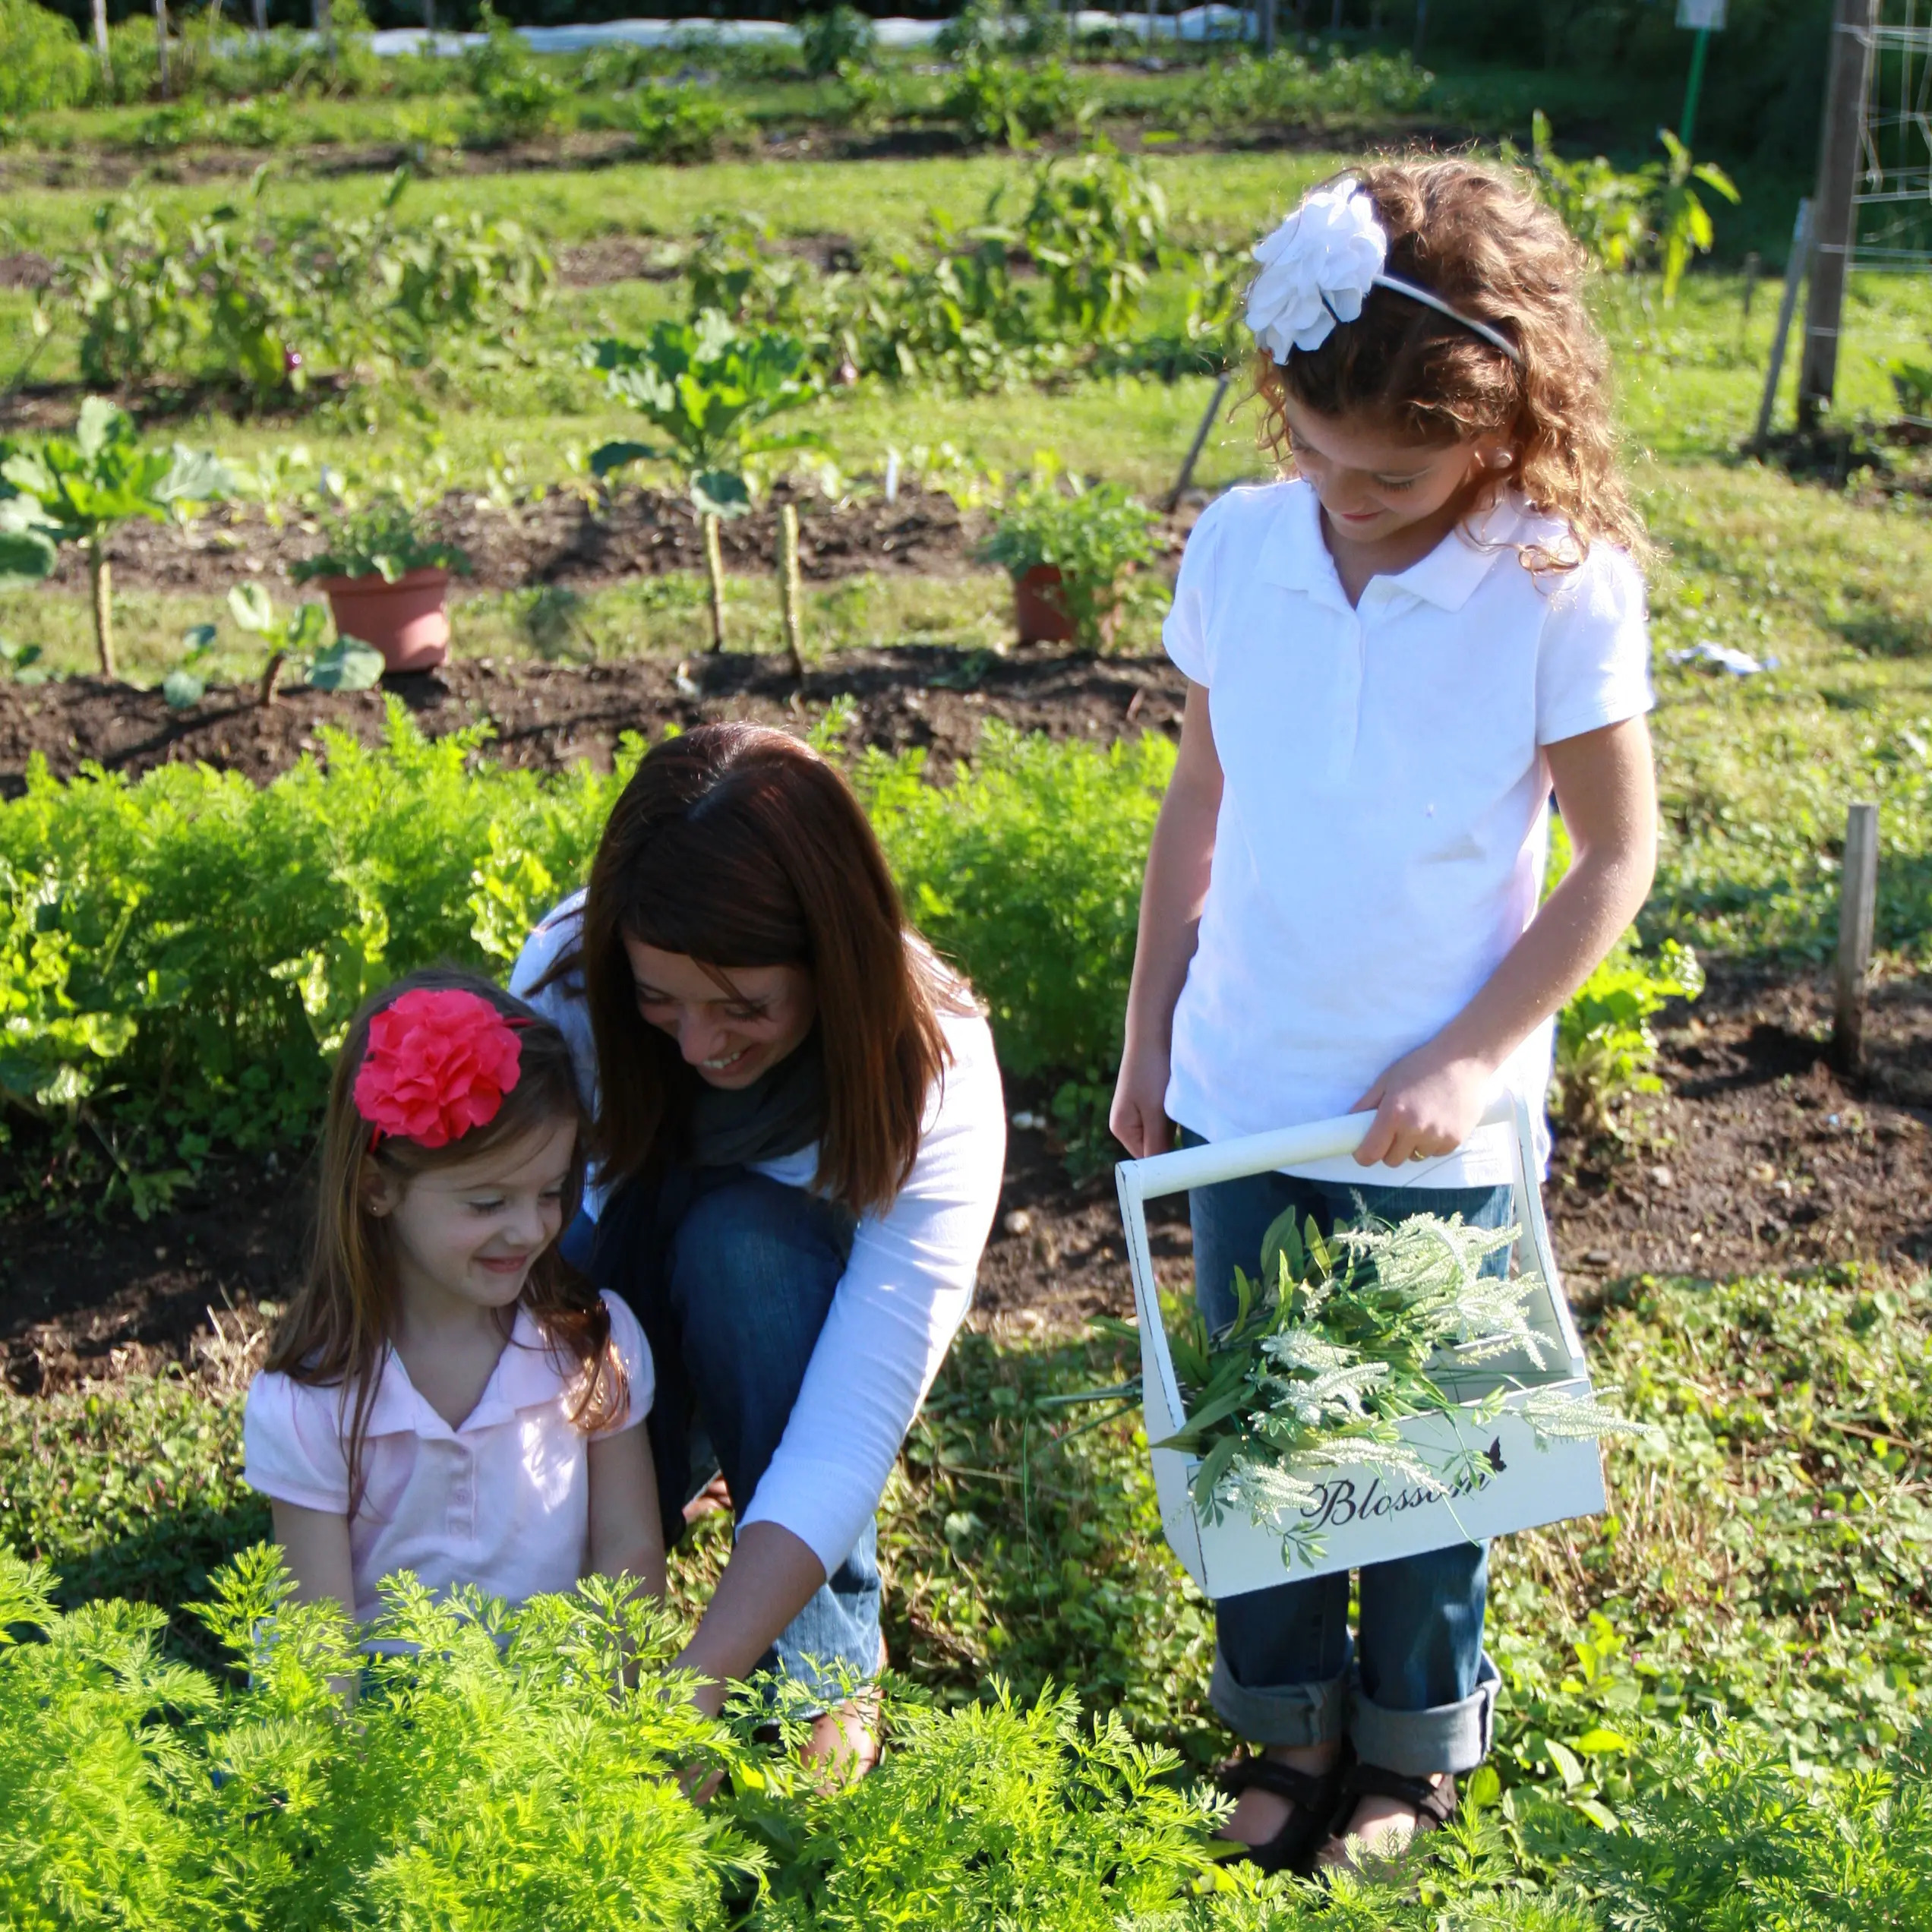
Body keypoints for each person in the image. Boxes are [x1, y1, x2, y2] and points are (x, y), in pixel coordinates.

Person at [1110, 159, 1659, 1874]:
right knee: (1272, 1436)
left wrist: (1482, 1050)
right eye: (1316, 452)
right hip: (1253, 1080)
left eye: (1398, 471)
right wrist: (1152, 1033)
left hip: (1437, 1115)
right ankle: (1285, 1734)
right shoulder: (1247, 550)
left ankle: (1413, 1755)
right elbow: (1196, 798)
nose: (1349, 494)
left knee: (1430, 1463)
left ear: (1507, 420)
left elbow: (1616, 856)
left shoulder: (1554, 582)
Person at [510, 722, 1005, 1776]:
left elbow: (839, 1439)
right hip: (628, 1312)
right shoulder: (567, 979)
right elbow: (496, 1271)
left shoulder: (935, 1068)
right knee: (550, 1260)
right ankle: (609, 1516)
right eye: (660, 1001)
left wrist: (694, 1690)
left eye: (742, 1006)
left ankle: (825, 1666)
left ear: (830, 955)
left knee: (747, 1251)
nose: (695, 1044)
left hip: (777, 1345)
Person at [245, 970, 665, 1642]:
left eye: (551, 1191)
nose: (529, 1229)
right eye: (487, 1203)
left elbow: (630, 1553)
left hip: (554, 1719)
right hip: (384, 1732)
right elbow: (318, 1642)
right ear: (378, 1189)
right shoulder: (314, 1397)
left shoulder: (591, 1347)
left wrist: (608, 1729)